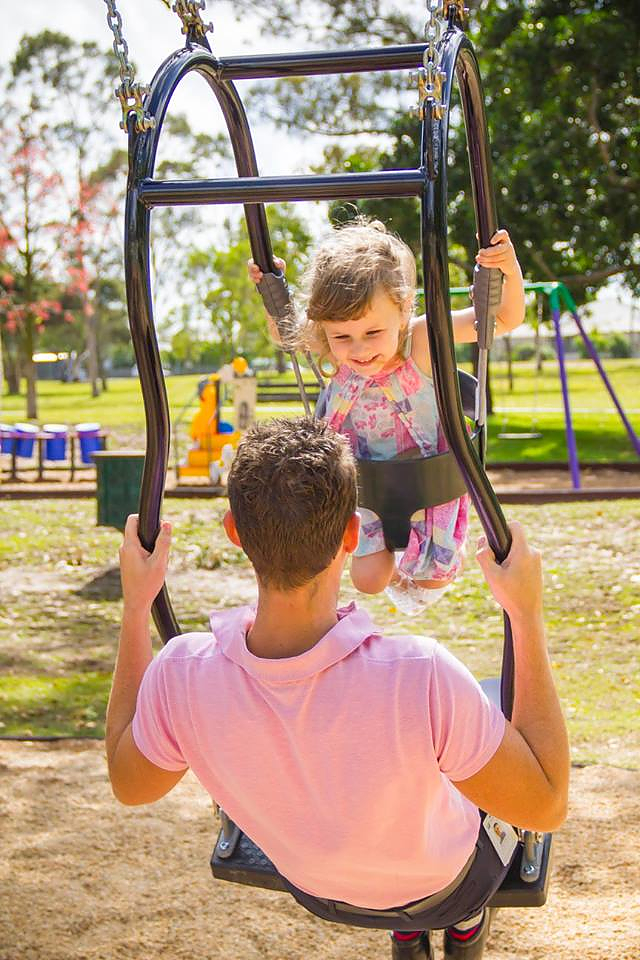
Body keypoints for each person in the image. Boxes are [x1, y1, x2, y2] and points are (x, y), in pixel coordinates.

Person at [106, 417, 569, 960]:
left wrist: (136, 607)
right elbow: (546, 806)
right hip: (449, 883)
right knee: (488, 719)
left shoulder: (180, 673)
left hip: (320, 892)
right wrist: (525, 613)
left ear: (235, 531)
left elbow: (129, 782)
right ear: (352, 534)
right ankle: (464, 921)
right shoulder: (420, 674)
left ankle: (412, 928)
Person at [248, 219, 526, 612]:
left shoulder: (424, 340)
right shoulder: (330, 348)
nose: (358, 349)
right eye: (341, 337)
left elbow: (502, 319)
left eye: (372, 332)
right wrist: (270, 290)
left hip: (429, 483)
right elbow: (284, 332)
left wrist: (508, 269)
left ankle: (420, 567)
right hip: (368, 486)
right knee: (368, 581)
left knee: (433, 579)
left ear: (403, 309)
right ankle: (393, 572)